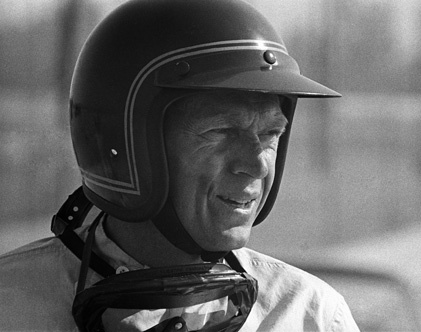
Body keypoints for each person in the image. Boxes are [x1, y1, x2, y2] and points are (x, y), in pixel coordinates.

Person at [0, 0, 359, 331]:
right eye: (221, 131)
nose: (256, 166)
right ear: (124, 145)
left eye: (270, 134)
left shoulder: (311, 315)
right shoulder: (12, 304)